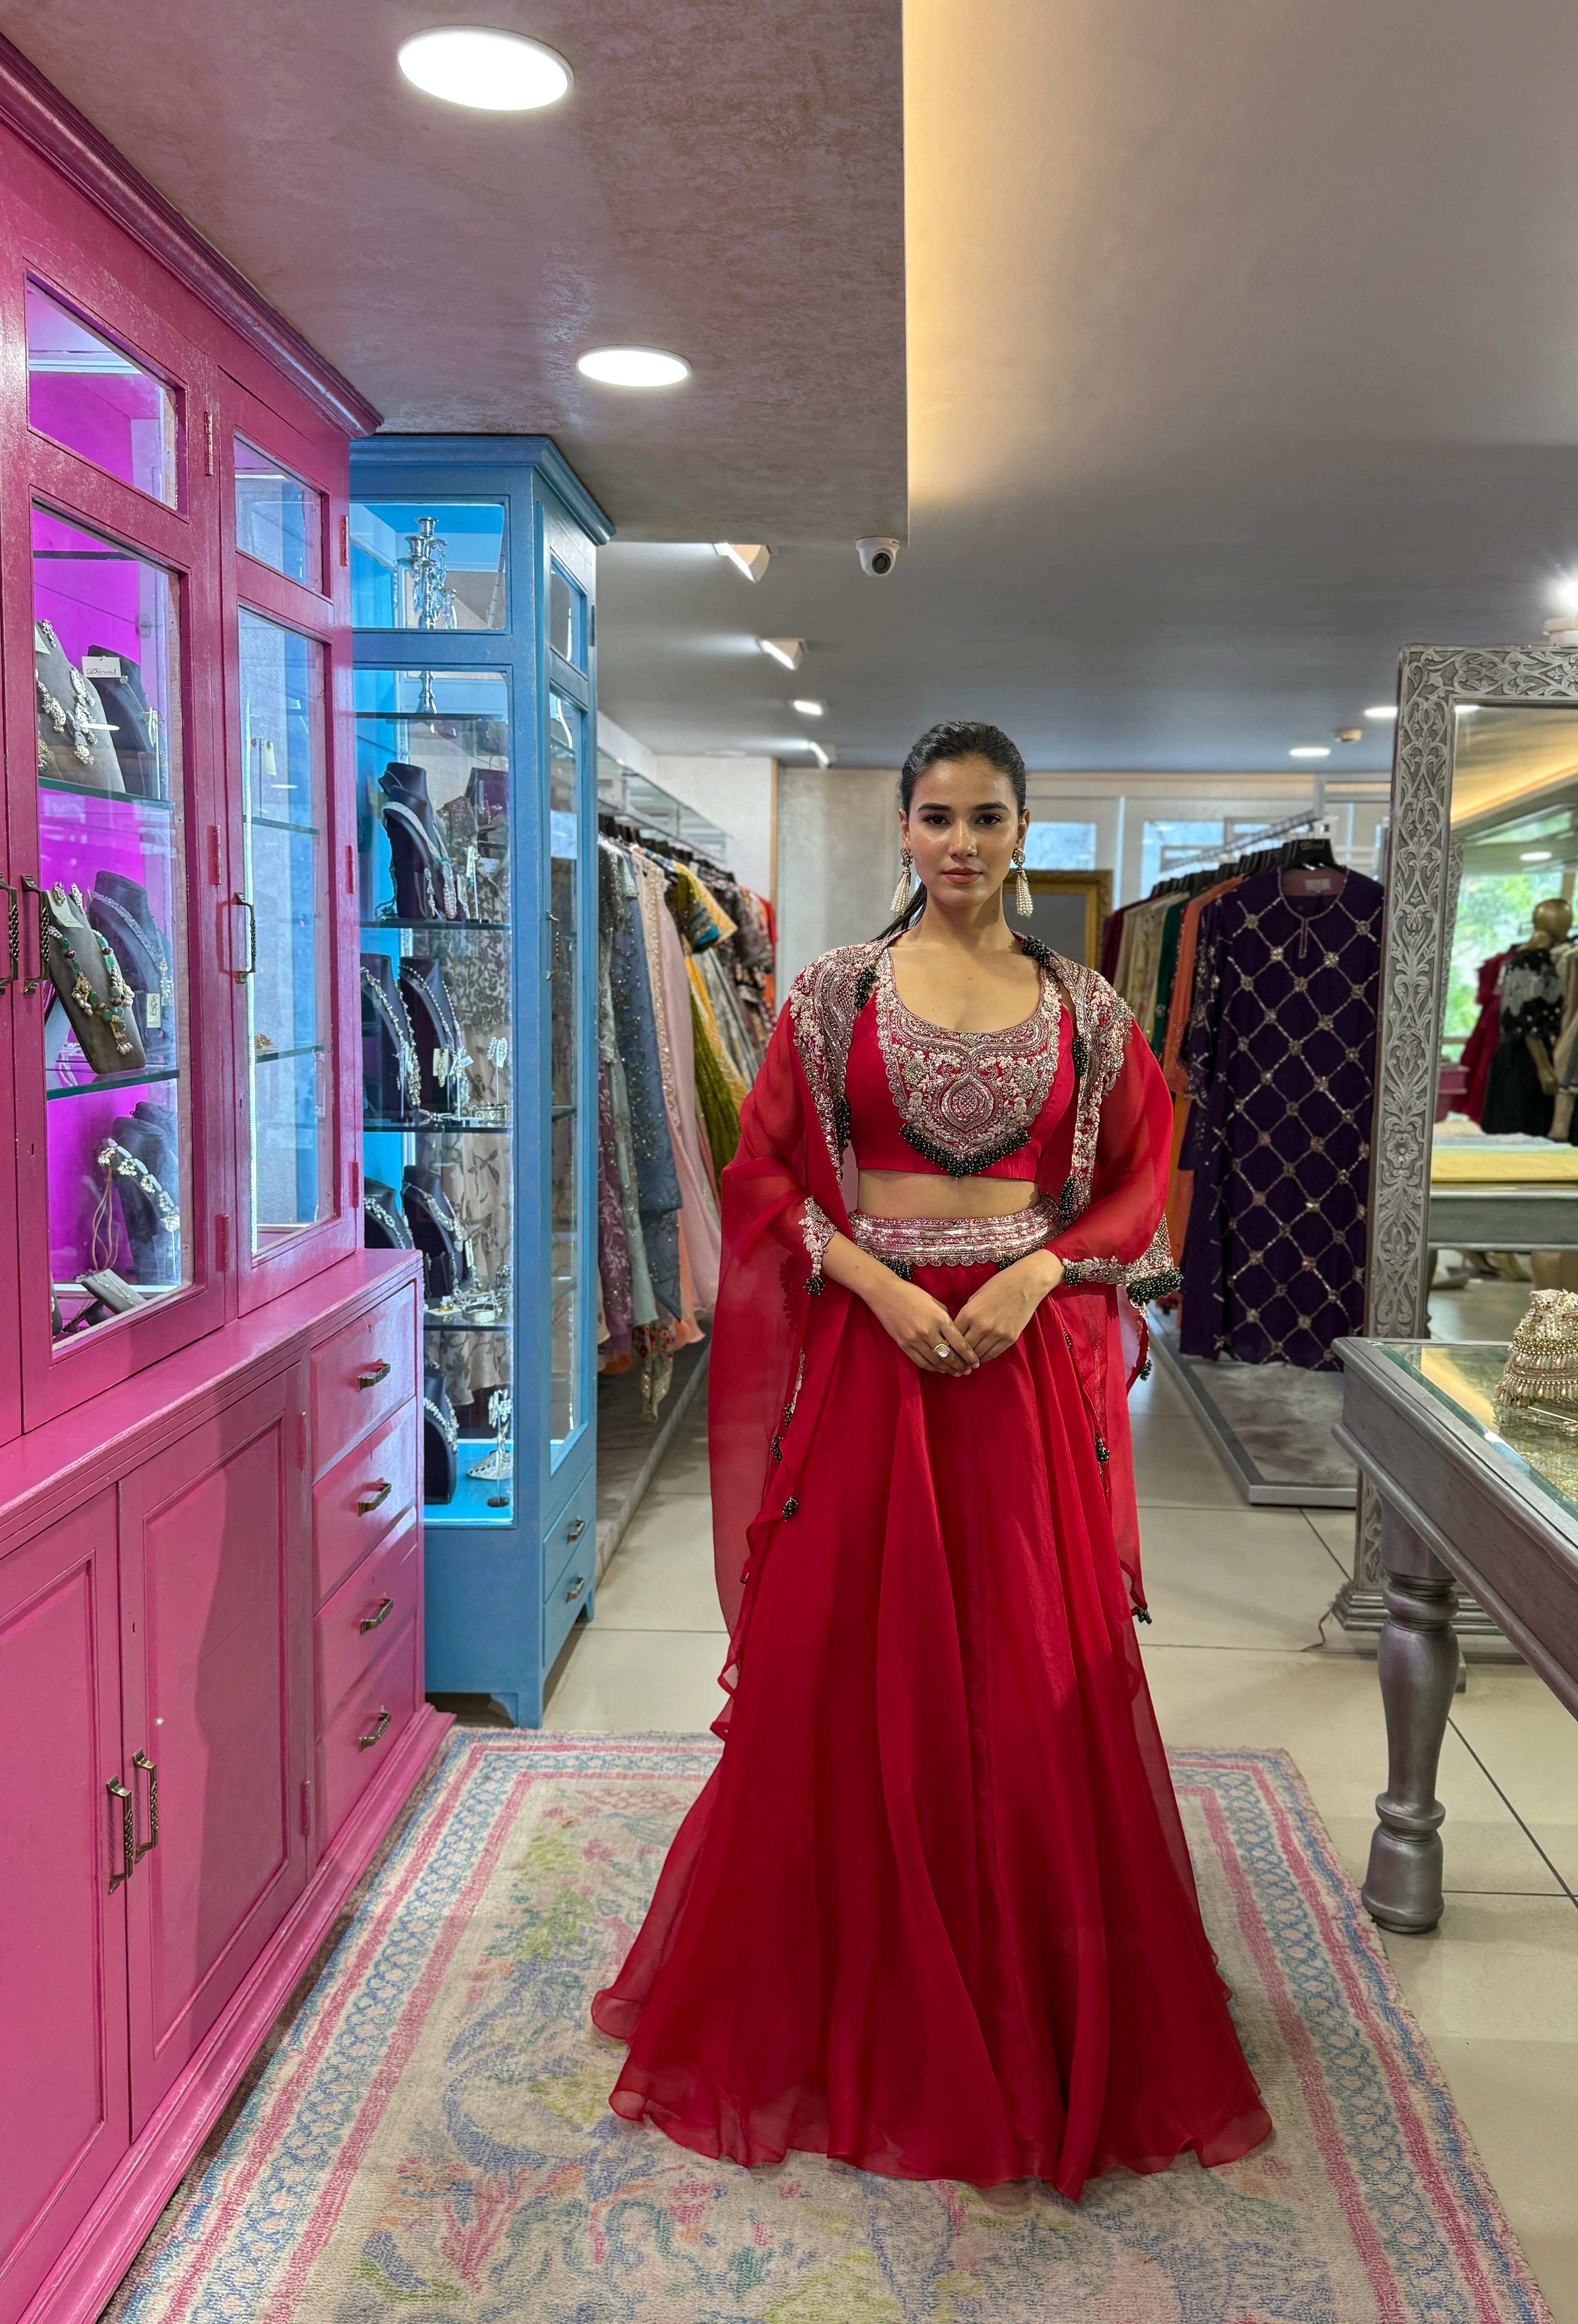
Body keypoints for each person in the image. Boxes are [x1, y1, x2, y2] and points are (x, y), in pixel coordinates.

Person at [592, 720, 1272, 2197]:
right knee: (854, 1650)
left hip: (1017, 1372)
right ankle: (850, 1992)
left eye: (988, 818)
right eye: (938, 817)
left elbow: (1138, 1181)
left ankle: (1023, 1985)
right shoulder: (835, 993)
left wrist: (1038, 1274)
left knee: (1024, 1661)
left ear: (1023, 832)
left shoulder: (1086, 1008)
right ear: (904, 829)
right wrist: (874, 1283)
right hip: (873, 1355)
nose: (961, 844)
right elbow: (763, 1171)